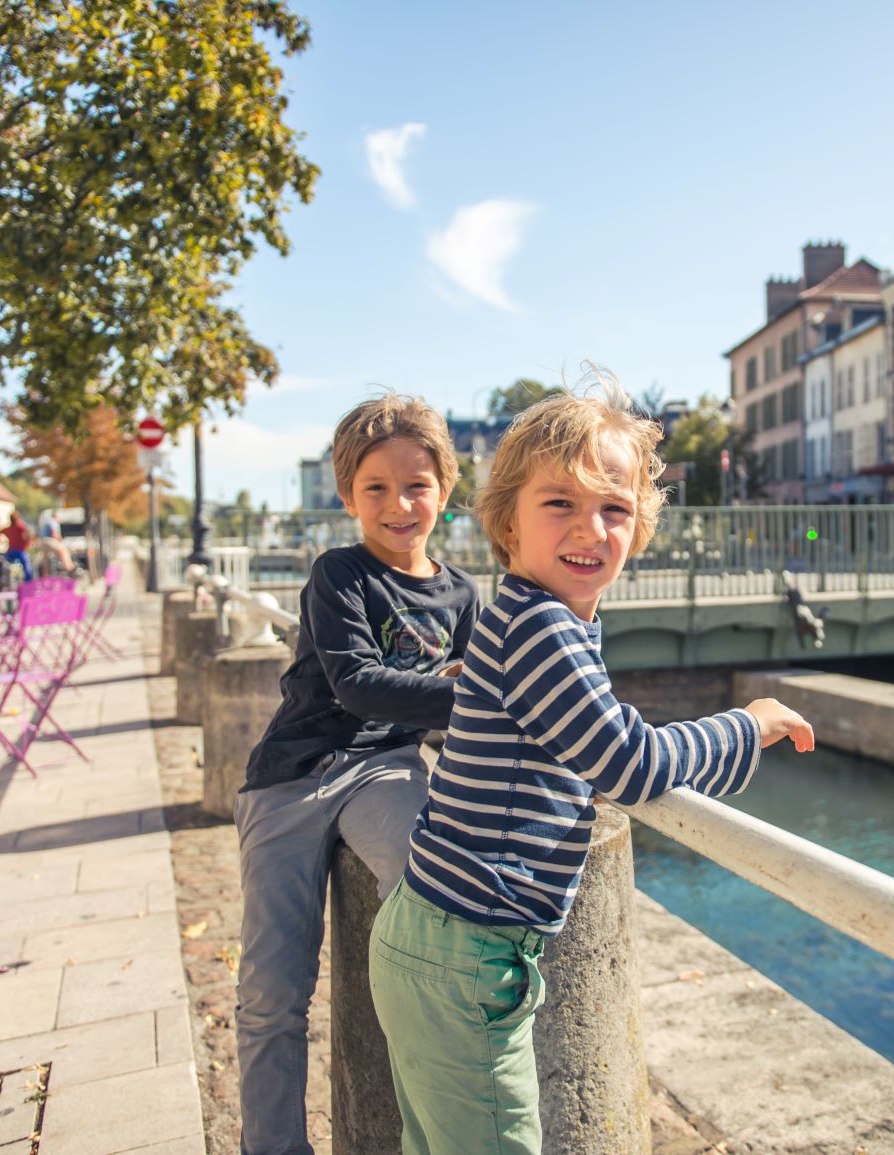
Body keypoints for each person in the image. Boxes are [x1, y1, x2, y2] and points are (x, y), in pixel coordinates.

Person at [368, 387, 816, 1155]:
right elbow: (631, 763)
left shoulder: (535, 615)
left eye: (613, 508)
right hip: (464, 950)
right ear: (508, 520)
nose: (590, 528)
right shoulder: (542, 627)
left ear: (639, 527)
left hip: (445, 938)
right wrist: (751, 723)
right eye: (559, 503)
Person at [235, 393, 478, 1155]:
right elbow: (357, 683)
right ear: (347, 496)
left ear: (445, 488)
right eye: (375, 487)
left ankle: (428, 1122)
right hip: (292, 774)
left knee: (436, 891)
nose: (399, 503)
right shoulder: (338, 574)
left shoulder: (463, 594)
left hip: (386, 769)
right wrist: (477, 686)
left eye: (417, 484)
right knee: (273, 989)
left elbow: (459, 719)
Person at [0, 510, 34, 582]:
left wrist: (1, 540)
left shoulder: (9, 528)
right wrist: (27, 544)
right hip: (19, 552)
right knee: (27, 567)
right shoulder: (21, 527)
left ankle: (6, 580)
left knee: (6, 565)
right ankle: (29, 582)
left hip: (11, 552)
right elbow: (28, 536)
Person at [38, 509, 75, 575]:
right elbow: (55, 534)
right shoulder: (53, 521)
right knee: (64, 550)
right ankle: (70, 569)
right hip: (49, 541)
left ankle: (45, 576)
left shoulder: (47, 521)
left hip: (42, 542)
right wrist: (60, 541)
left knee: (45, 560)